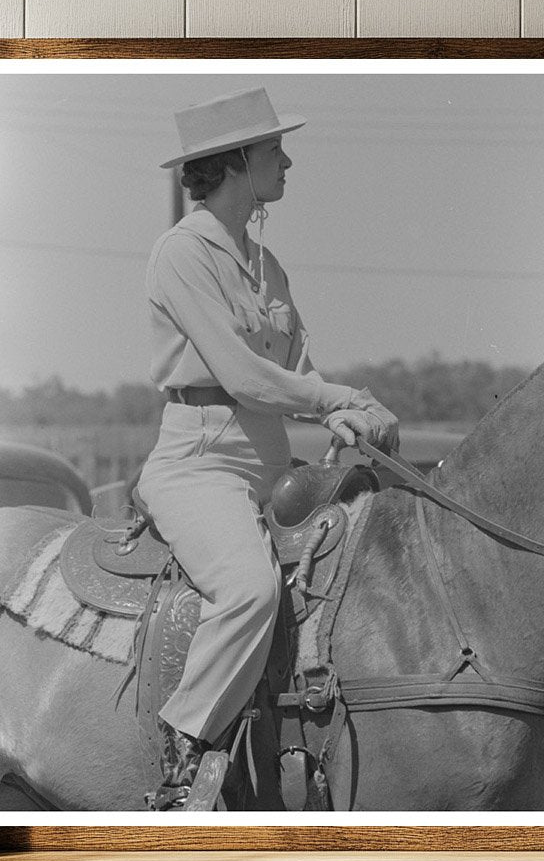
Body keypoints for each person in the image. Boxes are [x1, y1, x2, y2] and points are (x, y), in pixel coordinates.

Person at [139, 86, 398, 809]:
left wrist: (346, 416)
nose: (287, 162)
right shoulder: (181, 254)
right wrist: (336, 399)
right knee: (251, 589)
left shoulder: (265, 263)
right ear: (236, 161)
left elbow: (300, 372)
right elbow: (248, 377)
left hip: (273, 466)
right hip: (200, 469)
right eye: (275, 149)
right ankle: (184, 750)